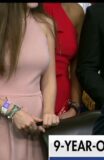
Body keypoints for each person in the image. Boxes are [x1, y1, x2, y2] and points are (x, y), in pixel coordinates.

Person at [0, 3, 59, 159]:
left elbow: (49, 79)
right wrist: (12, 111)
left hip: (36, 125)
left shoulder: (46, 25)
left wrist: (48, 112)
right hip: (4, 118)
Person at [43, 3, 87, 119]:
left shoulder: (75, 12)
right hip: (17, 108)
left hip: (62, 103)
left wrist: (74, 107)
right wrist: (12, 112)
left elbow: (77, 66)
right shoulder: (11, 12)